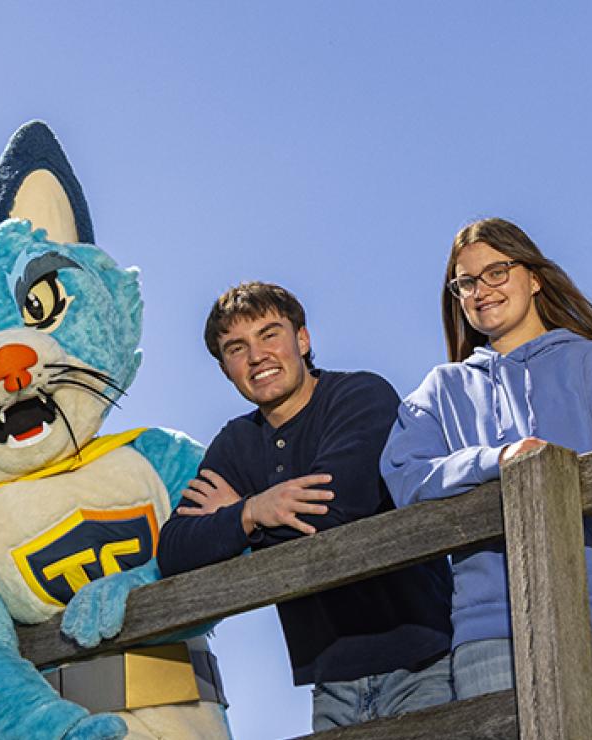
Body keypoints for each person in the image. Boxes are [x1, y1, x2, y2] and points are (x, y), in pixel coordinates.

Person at [383, 218, 592, 739]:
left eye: (497, 271)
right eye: (466, 282)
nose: (482, 290)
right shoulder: (440, 391)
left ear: (534, 278)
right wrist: (495, 460)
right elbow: (404, 476)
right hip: (488, 640)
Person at [156, 282, 456, 731]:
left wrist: (237, 528)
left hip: (422, 660)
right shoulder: (236, 442)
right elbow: (176, 550)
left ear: (302, 339)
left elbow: (336, 510)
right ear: (225, 369)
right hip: (330, 678)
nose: (256, 356)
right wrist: (251, 511)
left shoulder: (360, 396)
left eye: (269, 334)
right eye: (237, 348)